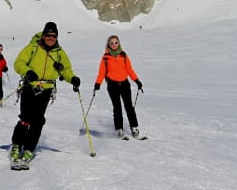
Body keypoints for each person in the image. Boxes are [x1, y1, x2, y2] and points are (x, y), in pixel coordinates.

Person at [9, 22, 80, 168]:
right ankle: (16, 145)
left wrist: (72, 78)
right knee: (25, 118)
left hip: (46, 89)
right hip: (30, 86)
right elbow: (19, 63)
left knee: (38, 120)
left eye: (54, 36)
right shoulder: (33, 47)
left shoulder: (59, 52)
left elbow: (66, 69)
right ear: (43, 35)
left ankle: (29, 149)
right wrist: (28, 72)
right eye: (48, 35)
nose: (51, 38)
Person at [93, 35, 144, 139]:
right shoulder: (105, 58)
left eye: (116, 42)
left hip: (125, 84)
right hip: (112, 85)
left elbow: (130, 70)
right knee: (117, 108)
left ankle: (134, 127)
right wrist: (98, 83)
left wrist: (137, 81)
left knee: (129, 107)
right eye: (111, 43)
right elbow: (101, 73)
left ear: (119, 43)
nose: (114, 45)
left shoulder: (124, 56)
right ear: (108, 44)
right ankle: (119, 129)